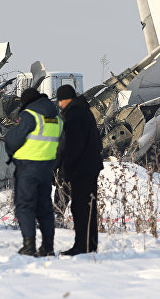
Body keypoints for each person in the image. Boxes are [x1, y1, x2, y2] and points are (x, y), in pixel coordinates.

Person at [5, 88, 62, 257]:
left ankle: (29, 246)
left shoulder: (30, 115)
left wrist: (12, 153)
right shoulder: (57, 118)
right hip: (46, 168)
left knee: (25, 206)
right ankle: (48, 247)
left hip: (27, 167)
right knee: (45, 208)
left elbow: (13, 139)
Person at [54, 85, 103, 256]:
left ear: (67, 99)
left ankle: (82, 246)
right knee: (89, 208)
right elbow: (98, 141)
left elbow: (72, 146)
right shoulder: (85, 112)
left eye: (60, 100)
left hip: (81, 169)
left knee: (80, 208)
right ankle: (90, 245)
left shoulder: (74, 115)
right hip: (91, 167)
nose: (59, 104)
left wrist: (66, 169)